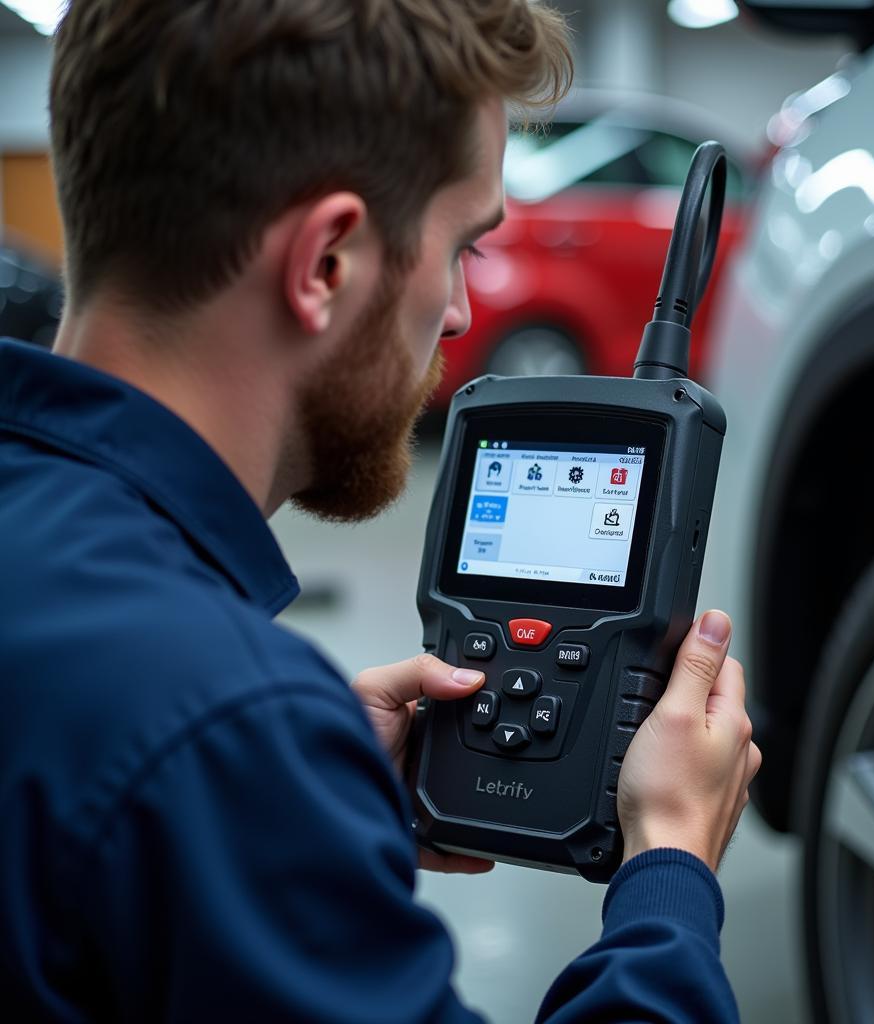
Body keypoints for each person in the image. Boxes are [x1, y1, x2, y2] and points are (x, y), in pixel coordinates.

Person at [0, 1, 761, 1020]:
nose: (455, 312)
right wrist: (670, 864)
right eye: (461, 247)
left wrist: (286, 815)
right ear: (327, 263)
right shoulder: (218, 726)